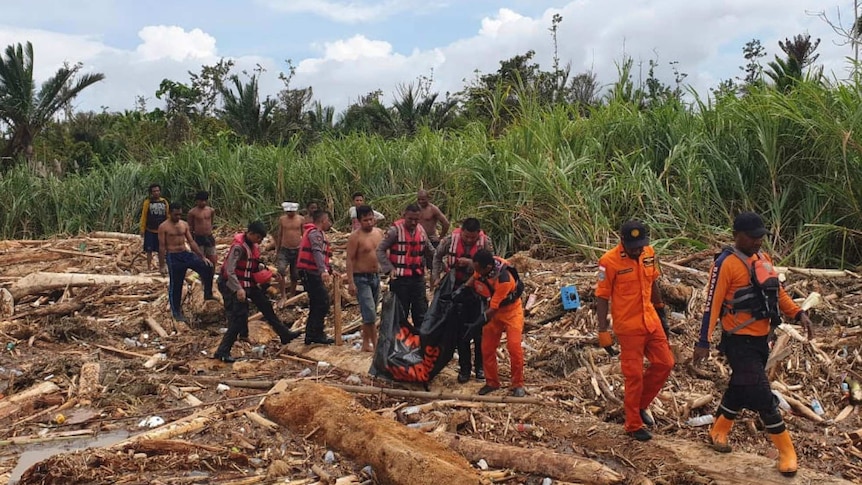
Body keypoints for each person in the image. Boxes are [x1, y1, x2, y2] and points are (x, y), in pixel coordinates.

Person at [693, 211, 814, 477]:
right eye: (753, 238)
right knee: (761, 394)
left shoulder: (763, 259)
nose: (758, 242)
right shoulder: (725, 264)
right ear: (737, 236)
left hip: (762, 339)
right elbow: (711, 304)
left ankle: (719, 430)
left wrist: (798, 313)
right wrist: (703, 340)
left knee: (741, 385)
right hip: (738, 341)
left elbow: (778, 293)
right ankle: (786, 451)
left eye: (761, 237)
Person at [595, 220, 674, 442]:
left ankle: (639, 405)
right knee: (634, 376)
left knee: (665, 363)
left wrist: (661, 310)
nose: (638, 250)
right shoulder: (608, 262)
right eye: (633, 247)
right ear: (622, 241)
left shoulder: (649, 253)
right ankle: (632, 424)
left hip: (650, 319)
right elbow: (601, 296)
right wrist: (603, 331)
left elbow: (654, 282)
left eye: (640, 245)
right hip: (628, 327)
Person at [214, 221, 301, 362]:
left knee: (266, 306)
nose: (260, 241)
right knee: (238, 317)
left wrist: (269, 273)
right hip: (232, 284)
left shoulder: (252, 246)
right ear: (251, 234)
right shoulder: (238, 247)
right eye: (259, 238)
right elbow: (230, 270)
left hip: (247, 282)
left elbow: (253, 264)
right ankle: (222, 351)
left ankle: (284, 334)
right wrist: (238, 289)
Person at [432, 218, 494, 383]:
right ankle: (464, 369)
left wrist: (470, 263)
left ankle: (480, 368)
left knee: (480, 333)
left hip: (478, 292)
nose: (469, 240)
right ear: (462, 231)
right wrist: (435, 277)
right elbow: (437, 257)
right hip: (458, 289)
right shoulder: (451, 240)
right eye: (466, 237)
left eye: (472, 238)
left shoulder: (485, 243)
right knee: (461, 332)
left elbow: (491, 265)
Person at [466, 249, 525, 397]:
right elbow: (474, 278)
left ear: (487, 268)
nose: (476, 271)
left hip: (511, 312)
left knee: (514, 347)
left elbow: (493, 309)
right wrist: (463, 290)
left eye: (478, 269)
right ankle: (491, 382)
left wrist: (476, 324)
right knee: (487, 348)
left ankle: (517, 384)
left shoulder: (503, 279)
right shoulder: (485, 266)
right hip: (493, 313)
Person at [377, 204, 434, 328]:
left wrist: (438, 267)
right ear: (404, 216)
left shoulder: (421, 230)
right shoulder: (394, 231)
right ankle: (399, 342)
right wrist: (389, 269)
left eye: (416, 219)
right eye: (410, 219)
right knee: (400, 313)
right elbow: (380, 250)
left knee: (421, 311)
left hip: (418, 278)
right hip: (400, 280)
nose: (413, 222)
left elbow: (429, 250)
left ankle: (420, 341)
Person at [157, 205, 214, 322]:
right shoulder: (164, 227)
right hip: (173, 256)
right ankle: (176, 311)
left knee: (207, 268)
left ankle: (208, 293)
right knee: (176, 284)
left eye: (179, 214)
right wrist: (162, 265)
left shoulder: (183, 225)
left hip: (185, 253)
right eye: (175, 214)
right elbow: (162, 247)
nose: (178, 217)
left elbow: (191, 241)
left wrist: (202, 257)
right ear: (170, 213)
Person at [346, 205, 385, 352]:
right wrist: (350, 282)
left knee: (371, 310)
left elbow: (383, 252)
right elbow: (349, 259)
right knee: (369, 313)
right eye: (365, 220)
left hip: (375, 276)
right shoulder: (355, 237)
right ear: (359, 221)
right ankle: (375, 344)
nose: (369, 222)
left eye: (371, 219)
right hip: (361, 278)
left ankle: (364, 343)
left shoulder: (379, 232)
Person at [297, 210, 336, 345]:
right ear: (323, 220)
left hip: (311, 272)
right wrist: (323, 271)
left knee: (316, 303)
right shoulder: (315, 234)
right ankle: (317, 333)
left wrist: (330, 270)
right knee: (322, 302)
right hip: (310, 273)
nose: (329, 224)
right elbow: (317, 252)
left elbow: (321, 257)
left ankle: (311, 334)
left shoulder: (316, 233)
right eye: (328, 221)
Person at [275, 202, 304, 298]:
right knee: (281, 270)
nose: (290, 213)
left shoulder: (300, 219)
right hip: (285, 249)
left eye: (291, 212)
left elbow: (304, 235)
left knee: (295, 274)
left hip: (297, 249)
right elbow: (280, 234)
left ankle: (292, 294)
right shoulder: (282, 219)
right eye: (288, 212)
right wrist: (277, 249)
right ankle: (283, 295)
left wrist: (304, 250)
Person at [140, 183, 169, 272]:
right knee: (149, 250)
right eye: (154, 191)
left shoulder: (164, 202)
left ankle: (162, 266)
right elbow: (144, 216)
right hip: (150, 229)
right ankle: (149, 267)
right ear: (151, 193)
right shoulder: (147, 202)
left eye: (157, 191)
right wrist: (142, 228)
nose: (156, 193)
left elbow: (167, 215)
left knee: (162, 249)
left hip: (161, 230)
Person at [417, 190, 450, 267]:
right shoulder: (415, 209)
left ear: (428, 198)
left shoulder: (433, 209)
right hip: (417, 240)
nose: (421, 201)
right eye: (419, 199)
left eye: (423, 199)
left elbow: (446, 223)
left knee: (433, 264)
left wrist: (440, 237)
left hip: (431, 240)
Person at [187, 191, 217, 268]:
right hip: (198, 237)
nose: (203, 203)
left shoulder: (211, 210)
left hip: (209, 236)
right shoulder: (192, 212)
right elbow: (190, 226)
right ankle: (201, 277)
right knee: (199, 259)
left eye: (205, 201)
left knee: (213, 258)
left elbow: (211, 222)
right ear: (197, 201)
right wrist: (191, 240)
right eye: (201, 201)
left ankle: (211, 276)